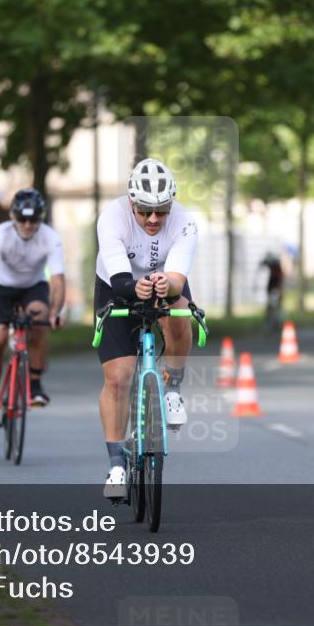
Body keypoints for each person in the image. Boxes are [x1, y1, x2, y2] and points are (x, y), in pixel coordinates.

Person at [94, 158, 198, 498]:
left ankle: (172, 390)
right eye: (144, 211)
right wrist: (134, 288)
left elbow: (178, 280)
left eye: (162, 211)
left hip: (165, 283)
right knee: (119, 378)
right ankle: (116, 467)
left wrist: (161, 285)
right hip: (116, 284)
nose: (153, 219)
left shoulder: (185, 223)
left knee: (180, 310)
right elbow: (120, 277)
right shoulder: (111, 217)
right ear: (130, 202)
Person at [0, 189, 66, 429]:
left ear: (41, 219)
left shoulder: (50, 237)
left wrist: (56, 311)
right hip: (3, 288)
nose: (28, 225)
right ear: (13, 217)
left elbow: (57, 279)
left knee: (40, 318)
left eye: (34, 220)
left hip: (33, 287)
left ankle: (35, 382)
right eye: (23, 219)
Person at [259, 252, 285, 331]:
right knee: (270, 306)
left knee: (275, 306)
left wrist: (279, 289)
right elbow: (261, 265)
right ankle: (270, 322)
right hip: (271, 287)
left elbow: (280, 279)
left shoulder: (277, 266)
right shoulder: (270, 264)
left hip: (276, 288)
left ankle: (276, 323)